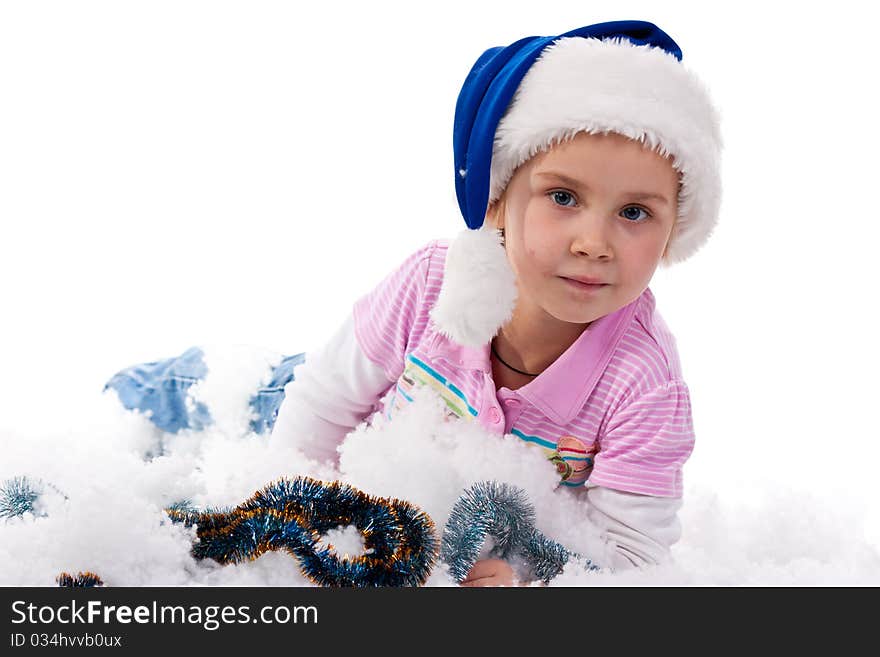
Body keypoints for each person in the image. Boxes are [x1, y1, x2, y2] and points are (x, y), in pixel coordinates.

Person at [269, 19, 722, 586]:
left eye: (634, 213)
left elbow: (632, 558)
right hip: (310, 403)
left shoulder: (643, 385)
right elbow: (324, 405)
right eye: (563, 197)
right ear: (495, 199)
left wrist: (519, 570)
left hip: (444, 513)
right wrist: (293, 507)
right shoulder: (432, 282)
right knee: (181, 396)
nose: (594, 244)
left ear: (676, 229)